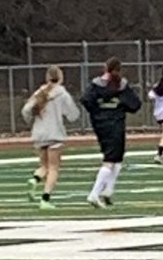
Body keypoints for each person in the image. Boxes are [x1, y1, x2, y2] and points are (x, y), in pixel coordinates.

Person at [81, 56, 142, 207]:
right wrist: (120, 107)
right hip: (116, 124)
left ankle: (108, 190)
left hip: (100, 124)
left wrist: (98, 112)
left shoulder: (96, 85)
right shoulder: (121, 86)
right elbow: (135, 105)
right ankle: (94, 193)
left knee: (116, 158)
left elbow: (86, 100)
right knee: (111, 159)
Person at [21, 65, 80, 210]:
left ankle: (35, 179)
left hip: (39, 134)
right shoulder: (62, 94)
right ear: (60, 78)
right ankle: (45, 199)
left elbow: (26, 110)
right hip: (54, 134)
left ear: (47, 77)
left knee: (44, 166)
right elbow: (73, 114)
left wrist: (31, 120)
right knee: (53, 168)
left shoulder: (40, 92)